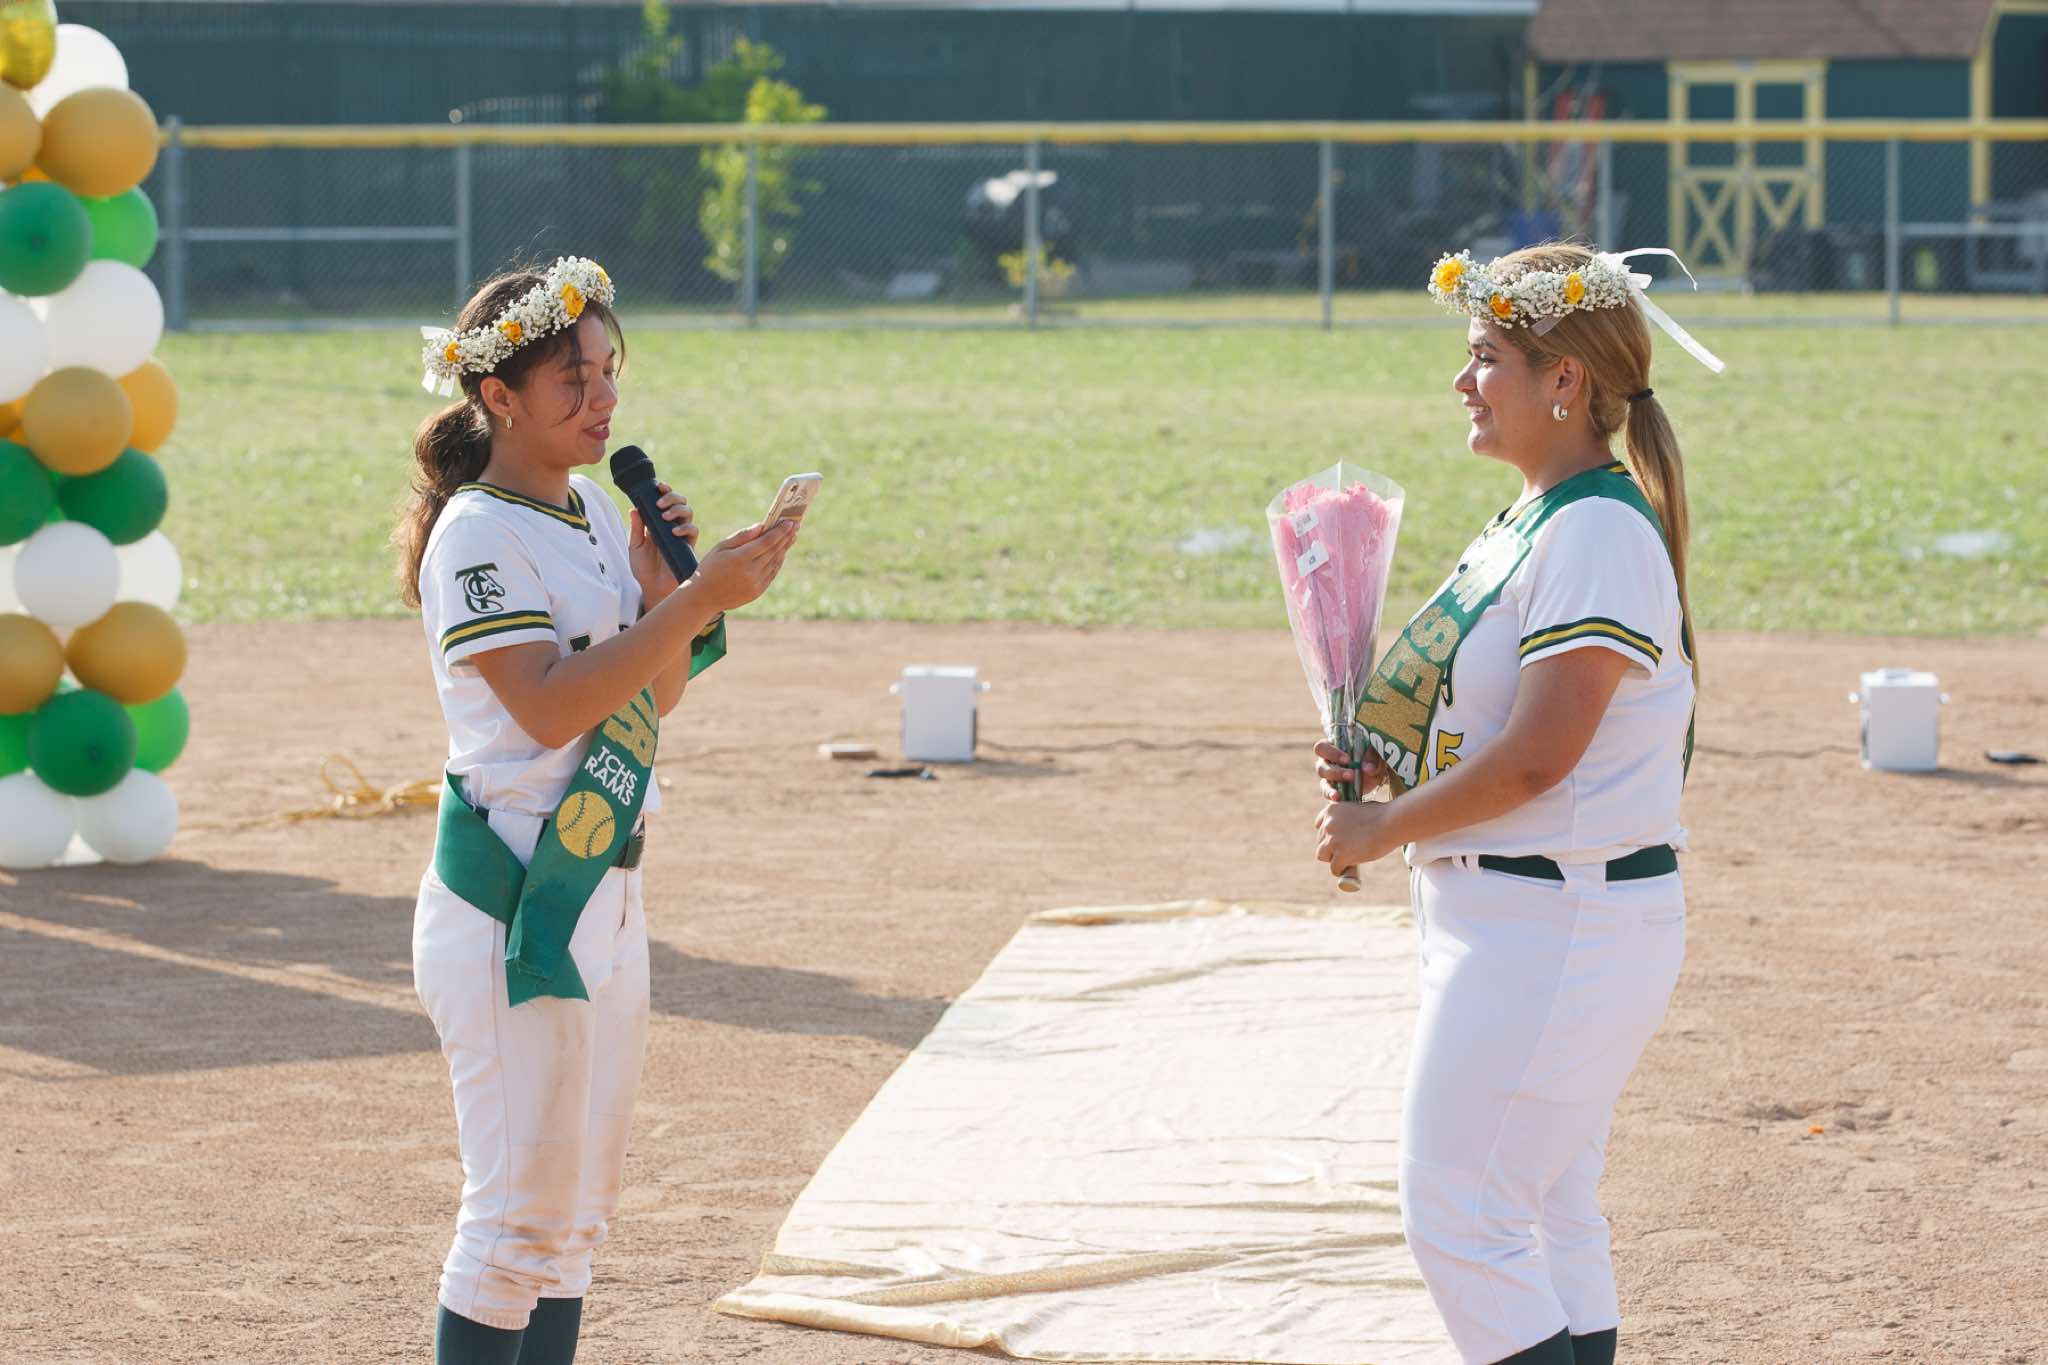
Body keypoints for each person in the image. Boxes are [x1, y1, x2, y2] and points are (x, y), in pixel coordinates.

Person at [1311, 242, 1722, 1365]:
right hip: (1533, 913)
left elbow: (1541, 755)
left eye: (1486, 356)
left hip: (1557, 921)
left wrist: (1382, 828)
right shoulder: (1538, 517)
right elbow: (1492, 723)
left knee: (1457, 1214)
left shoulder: (1594, 529)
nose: (1462, 382)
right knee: (1540, 1211)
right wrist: (1387, 763)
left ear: (1565, 381)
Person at [392, 257, 799, 1364]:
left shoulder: (581, 512)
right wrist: (697, 597)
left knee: (572, 1226)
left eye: (609, 369)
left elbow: (647, 699)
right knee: (514, 1223)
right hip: (514, 895)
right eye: (573, 378)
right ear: (498, 397)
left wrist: (666, 593)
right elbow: (546, 707)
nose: (604, 396)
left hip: (606, 887)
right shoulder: (477, 532)